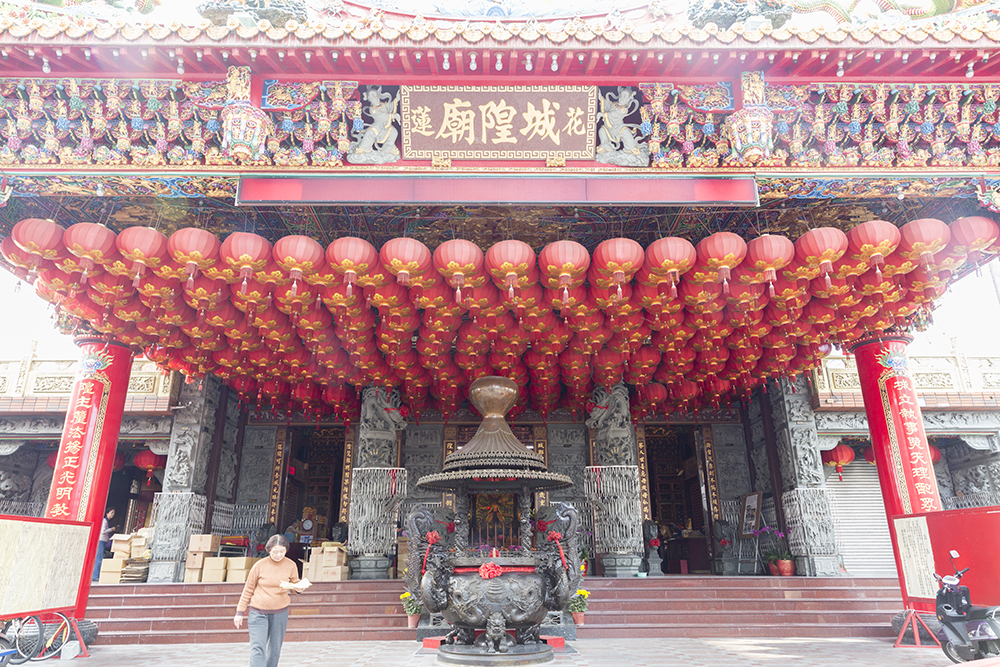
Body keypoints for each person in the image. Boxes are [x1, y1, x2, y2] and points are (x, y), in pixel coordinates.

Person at [234, 535, 302, 667]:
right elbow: (248, 589)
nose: (278, 555)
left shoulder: (291, 565)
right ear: (269, 550)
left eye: (282, 552)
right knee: (257, 646)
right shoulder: (259, 565)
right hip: (258, 612)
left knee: (275, 648)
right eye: (275, 552)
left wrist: (299, 588)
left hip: (280, 613)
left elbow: (294, 586)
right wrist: (239, 612)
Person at [92, 508, 116, 581]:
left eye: (113, 513)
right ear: (107, 513)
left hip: (104, 541)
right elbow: (103, 531)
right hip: (101, 540)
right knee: (99, 558)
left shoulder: (107, 521)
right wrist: (111, 529)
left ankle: (97, 575)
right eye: (111, 512)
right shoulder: (105, 521)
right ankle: (95, 576)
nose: (113, 514)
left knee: (100, 557)